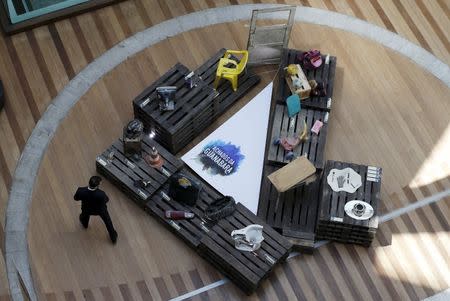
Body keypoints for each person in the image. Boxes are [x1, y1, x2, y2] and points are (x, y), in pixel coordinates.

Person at [74, 176, 118, 244]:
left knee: (84, 216)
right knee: (108, 221)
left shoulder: (81, 190)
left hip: (87, 209)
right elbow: (106, 200)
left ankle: (85, 224)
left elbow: (76, 198)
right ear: (97, 186)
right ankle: (113, 237)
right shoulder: (101, 194)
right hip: (100, 210)